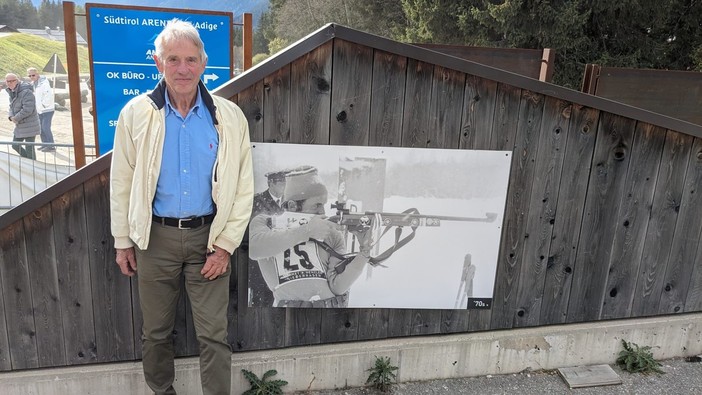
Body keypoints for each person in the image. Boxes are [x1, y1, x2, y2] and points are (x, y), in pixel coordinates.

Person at [110, 19, 253, 395]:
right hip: (155, 240)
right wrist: (122, 239)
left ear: (204, 64)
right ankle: (162, 391)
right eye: (173, 59)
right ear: (158, 63)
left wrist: (225, 246)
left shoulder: (229, 117)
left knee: (214, 336)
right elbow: (122, 181)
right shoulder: (136, 115)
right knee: (155, 332)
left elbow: (243, 188)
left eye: (191, 59)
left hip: (210, 238)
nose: (183, 68)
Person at [249, 166, 373, 308]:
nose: (322, 212)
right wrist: (307, 231)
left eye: (323, 205)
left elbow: (337, 287)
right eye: (316, 206)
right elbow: (254, 249)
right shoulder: (266, 223)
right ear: (292, 205)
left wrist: (364, 252)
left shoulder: (331, 235)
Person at [5, 73, 40, 160]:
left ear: (17, 81)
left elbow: (28, 109)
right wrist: (10, 116)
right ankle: (28, 162)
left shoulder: (26, 92)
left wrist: (15, 118)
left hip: (30, 125)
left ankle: (33, 167)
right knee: (15, 145)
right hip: (20, 125)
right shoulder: (12, 92)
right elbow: (11, 107)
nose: (9, 83)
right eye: (7, 81)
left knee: (29, 149)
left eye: (12, 81)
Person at [27, 67, 56, 151]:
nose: (32, 77)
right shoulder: (33, 84)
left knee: (45, 127)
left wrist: (43, 105)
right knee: (40, 128)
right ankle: (45, 144)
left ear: (37, 74)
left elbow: (48, 96)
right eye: (30, 76)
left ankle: (51, 146)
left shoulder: (44, 83)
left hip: (47, 110)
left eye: (33, 75)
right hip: (39, 110)